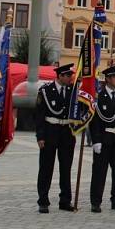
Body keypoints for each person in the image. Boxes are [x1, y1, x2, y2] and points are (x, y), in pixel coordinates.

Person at [35, 64, 77, 213]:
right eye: (67, 76)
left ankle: (65, 200)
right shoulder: (45, 91)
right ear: (59, 76)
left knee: (66, 168)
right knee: (46, 168)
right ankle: (43, 200)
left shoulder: (73, 91)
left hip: (67, 132)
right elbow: (39, 115)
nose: (70, 78)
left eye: (71, 75)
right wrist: (40, 136)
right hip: (50, 131)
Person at [89, 65, 115, 213]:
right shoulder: (100, 97)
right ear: (108, 79)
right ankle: (96, 201)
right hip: (104, 139)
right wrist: (96, 140)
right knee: (99, 172)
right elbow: (95, 121)